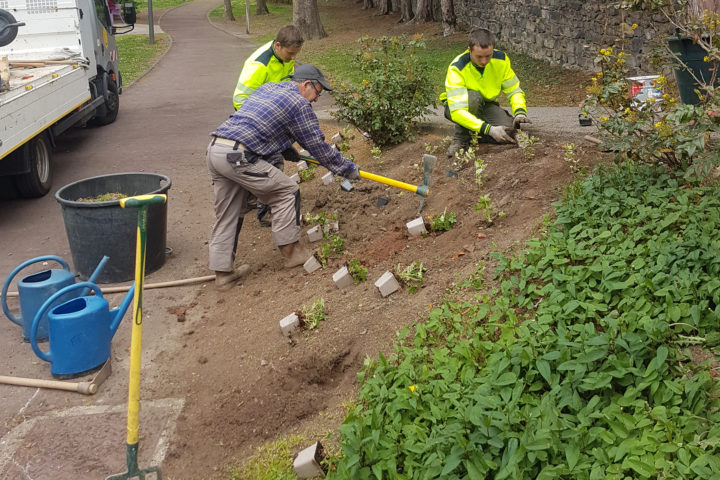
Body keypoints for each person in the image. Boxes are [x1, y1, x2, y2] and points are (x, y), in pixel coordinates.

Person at [207, 64, 360, 289]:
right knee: (286, 191)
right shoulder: (300, 103)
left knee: (229, 211)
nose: (317, 99)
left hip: (216, 149)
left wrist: (284, 147)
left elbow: (262, 123)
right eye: (318, 92)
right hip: (239, 156)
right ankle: (292, 253)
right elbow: (317, 145)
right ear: (307, 84)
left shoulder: (269, 89)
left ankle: (223, 275)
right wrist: (345, 168)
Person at [232, 25, 305, 227]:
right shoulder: (259, 65)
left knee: (255, 160)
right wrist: (265, 122)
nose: (292, 59)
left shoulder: (284, 58)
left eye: (295, 55)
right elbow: (239, 98)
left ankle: (246, 199)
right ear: (278, 45)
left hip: (269, 114)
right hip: (251, 117)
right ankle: (266, 213)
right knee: (270, 161)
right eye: (290, 54)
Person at [440, 28, 532, 158]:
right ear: (469, 50)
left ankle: (477, 134)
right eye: (479, 57)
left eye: (488, 56)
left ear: (493, 49)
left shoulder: (501, 60)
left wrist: (520, 111)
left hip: (487, 105)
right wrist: (489, 129)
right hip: (458, 107)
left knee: (506, 129)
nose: (484, 61)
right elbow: (458, 112)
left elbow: (514, 90)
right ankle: (460, 140)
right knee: (474, 99)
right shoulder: (457, 67)